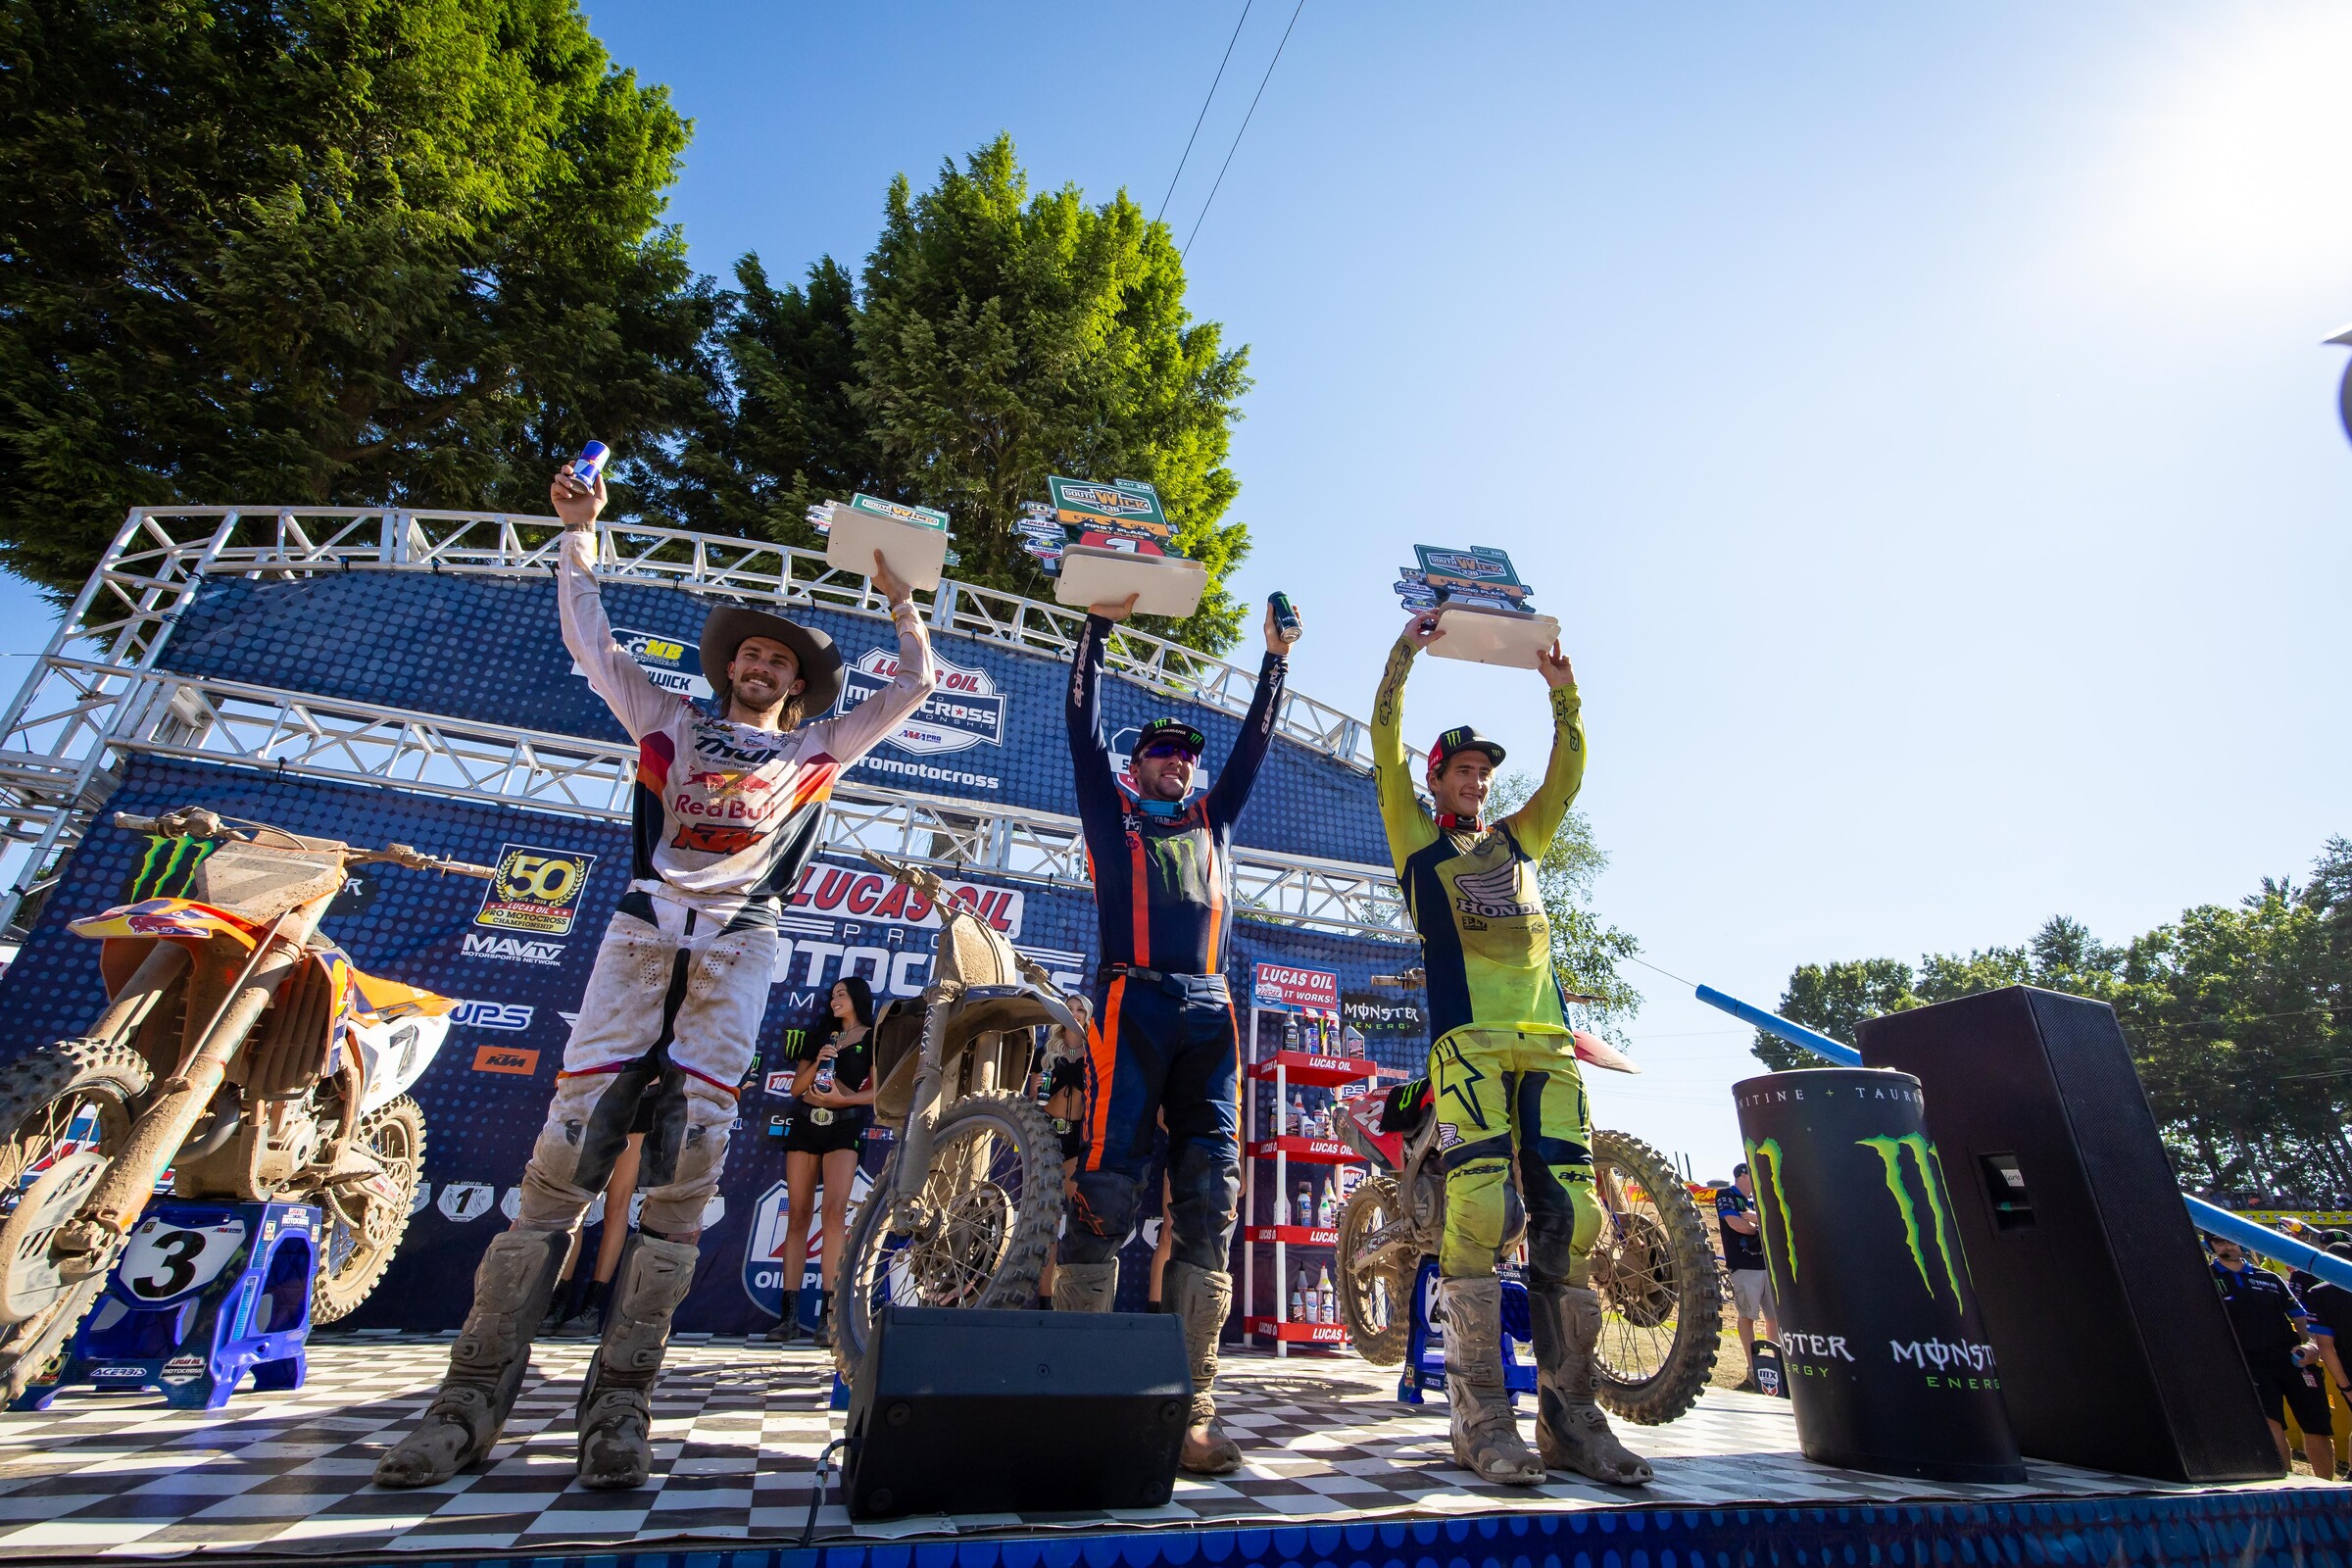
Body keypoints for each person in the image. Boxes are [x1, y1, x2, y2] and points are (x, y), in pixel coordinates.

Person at [374, 466, 936, 1491]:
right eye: (750, 652)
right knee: (559, 1166)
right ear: (731, 666)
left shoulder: (818, 748)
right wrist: (579, 537)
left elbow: (917, 687)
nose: (761, 664)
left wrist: (899, 595)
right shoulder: (667, 719)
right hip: (639, 932)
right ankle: (464, 1403)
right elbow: (590, 640)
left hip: (740, 943)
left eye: (779, 658)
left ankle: (620, 1412)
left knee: (686, 1176)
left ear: (802, 685)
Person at [1368, 608, 1649, 1488]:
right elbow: (1383, 744)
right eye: (1461, 772)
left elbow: (1565, 783)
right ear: (1437, 778)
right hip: (1469, 1044)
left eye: (1484, 773)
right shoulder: (1415, 839)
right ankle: (1480, 1417)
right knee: (1482, 1214)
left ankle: (1573, 1422)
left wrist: (1566, 700)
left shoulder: (1520, 841)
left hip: (1548, 1044)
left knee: (1577, 1217)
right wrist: (1404, 654)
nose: (1475, 785)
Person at [1055, 591, 1298, 1475]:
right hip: (1132, 1006)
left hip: (1208, 1011)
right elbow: (1080, 720)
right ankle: (1076, 1394)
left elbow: (1255, 745)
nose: (1178, 765)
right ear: (1139, 763)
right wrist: (1097, 627)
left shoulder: (1214, 820)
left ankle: (1192, 1405)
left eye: (1185, 756)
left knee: (1211, 1203)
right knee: (1107, 1195)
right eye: (1161, 753)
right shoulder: (1107, 809)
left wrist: (1274, 660)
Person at [766, 976, 878, 1347]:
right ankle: (789, 1316)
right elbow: (798, 1088)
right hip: (804, 1125)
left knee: (833, 1213)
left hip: (844, 1127)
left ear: (858, 999)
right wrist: (819, 1061)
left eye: (841, 995)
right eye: (832, 996)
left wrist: (845, 1101)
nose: (834, 1001)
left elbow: (877, 1092)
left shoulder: (873, 1037)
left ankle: (828, 1318)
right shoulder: (821, 1036)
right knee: (797, 1214)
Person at [2209, 1236, 2335, 1476]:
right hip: (2250, 1361)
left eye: (2231, 1241)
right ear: (2211, 1246)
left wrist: (2310, 1346)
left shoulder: (2269, 1277)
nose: (2228, 1246)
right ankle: (2286, 1484)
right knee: (2271, 1425)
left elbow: (2301, 1318)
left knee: (2317, 1426)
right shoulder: (2207, 1277)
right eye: (2219, 1242)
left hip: (2292, 1358)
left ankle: (2327, 1487)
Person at [542, 1116, 646, 1337]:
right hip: (599, 1100)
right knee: (578, 1200)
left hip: (642, 1102)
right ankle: (557, 1303)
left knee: (617, 1205)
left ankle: (591, 1309)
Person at [2295, 1241, 2352, 1479]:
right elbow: (2325, 1347)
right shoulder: (2321, 1293)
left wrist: (2346, 1386)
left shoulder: (2319, 1293)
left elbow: (2326, 1347)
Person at [1718, 1162, 1777, 1390]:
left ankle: (1775, 1364)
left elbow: (1767, 1222)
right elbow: (1735, 1224)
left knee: (1774, 1316)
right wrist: (1759, 1224)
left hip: (1765, 1264)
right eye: (1752, 1175)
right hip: (1743, 1264)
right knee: (1747, 1315)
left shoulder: (1756, 1202)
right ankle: (1752, 1367)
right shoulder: (1727, 1195)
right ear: (1742, 1175)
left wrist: (1755, 1219)